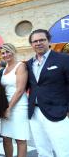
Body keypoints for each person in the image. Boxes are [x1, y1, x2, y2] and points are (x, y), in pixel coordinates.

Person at [26, 29, 69, 157]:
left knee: (63, 150)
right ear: (31, 44)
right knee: (43, 150)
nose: (38, 43)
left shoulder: (64, 59)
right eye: (35, 41)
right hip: (35, 113)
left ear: (48, 41)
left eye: (42, 40)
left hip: (58, 112)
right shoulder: (29, 63)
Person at [0, 43, 30, 157]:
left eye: (8, 51)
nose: (5, 55)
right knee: (6, 137)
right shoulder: (5, 68)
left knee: (20, 138)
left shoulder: (21, 66)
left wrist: (9, 108)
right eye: (3, 53)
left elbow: (20, 90)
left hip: (18, 105)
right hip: (6, 105)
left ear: (14, 51)